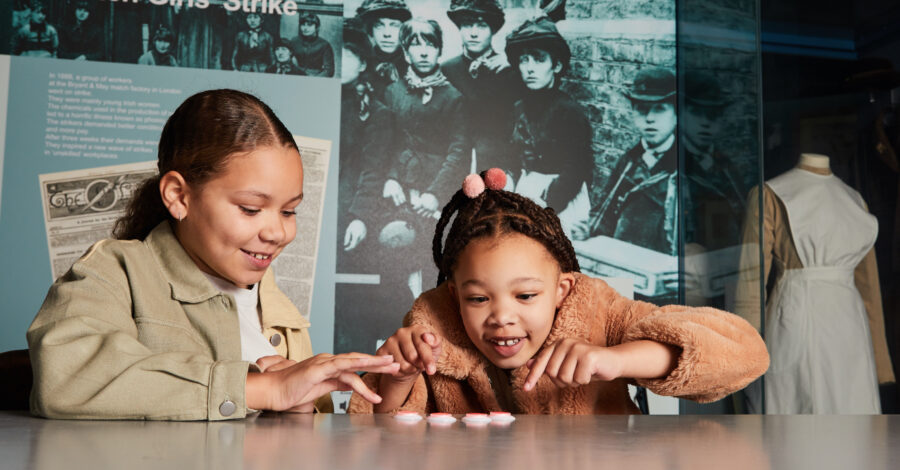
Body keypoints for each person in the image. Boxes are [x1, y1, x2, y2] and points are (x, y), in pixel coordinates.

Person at [27, 89, 400, 420]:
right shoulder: (114, 271)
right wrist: (263, 389)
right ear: (178, 196)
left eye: (289, 211)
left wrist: (299, 410)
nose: (277, 232)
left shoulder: (280, 312)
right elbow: (65, 379)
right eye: (251, 209)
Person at [348, 169, 769, 414]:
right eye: (478, 299)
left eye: (525, 296)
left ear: (562, 289)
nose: (501, 317)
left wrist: (615, 359)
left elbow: (743, 352)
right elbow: (377, 430)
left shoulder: (598, 311)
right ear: (455, 294)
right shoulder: (431, 326)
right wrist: (399, 378)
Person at [381, 18, 467, 299]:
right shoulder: (393, 92)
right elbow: (388, 143)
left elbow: (458, 152)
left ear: (439, 50)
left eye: (430, 44)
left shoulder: (453, 97)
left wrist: (434, 194)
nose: (423, 51)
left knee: (432, 262)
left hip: (435, 190)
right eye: (415, 45)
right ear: (406, 53)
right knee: (394, 252)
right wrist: (391, 178)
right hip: (400, 188)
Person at [575, 68, 679, 257]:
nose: (649, 118)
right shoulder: (628, 162)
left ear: (676, 114)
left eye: (660, 109)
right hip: (626, 258)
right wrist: (588, 229)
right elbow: (605, 212)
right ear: (632, 113)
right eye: (642, 109)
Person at [505, 17, 592, 218]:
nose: (530, 68)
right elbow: (513, 157)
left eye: (539, 59)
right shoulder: (519, 108)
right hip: (526, 190)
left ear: (557, 66)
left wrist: (548, 200)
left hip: (561, 199)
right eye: (524, 60)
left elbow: (577, 168)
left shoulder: (569, 111)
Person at [442, 0, 519, 174]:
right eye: (467, 25)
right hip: (456, 165)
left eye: (482, 26)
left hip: (497, 166)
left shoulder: (509, 71)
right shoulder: (447, 70)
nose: (473, 33)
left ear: (493, 30)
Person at [355, 0, 412, 99]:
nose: (387, 34)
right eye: (379, 26)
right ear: (371, 30)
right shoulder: (358, 67)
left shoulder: (415, 66)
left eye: (394, 25)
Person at [289, 11, 334, 77]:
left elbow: (329, 70)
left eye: (309, 25)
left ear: (317, 27)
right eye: (303, 25)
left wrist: (314, 80)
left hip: (316, 76)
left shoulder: (324, 45)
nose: (305, 28)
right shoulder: (294, 41)